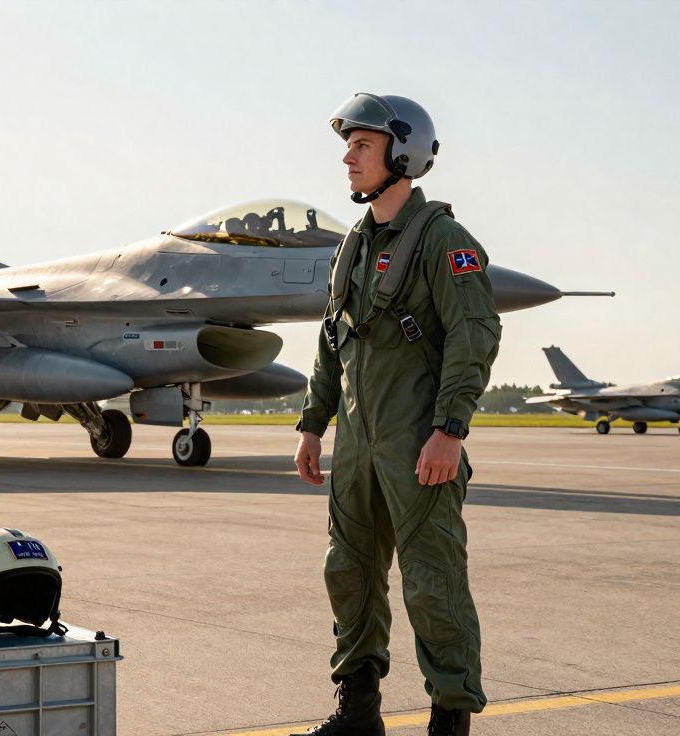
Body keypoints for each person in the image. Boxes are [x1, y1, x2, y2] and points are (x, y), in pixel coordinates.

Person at [292, 93, 502, 736]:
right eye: (348, 146)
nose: (348, 158)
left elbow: (475, 333)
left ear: (402, 153)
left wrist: (449, 430)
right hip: (357, 446)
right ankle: (358, 713)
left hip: (418, 442)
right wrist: (313, 424)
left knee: (433, 585)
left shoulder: (443, 239)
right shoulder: (352, 246)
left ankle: (450, 720)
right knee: (348, 575)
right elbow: (333, 341)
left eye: (363, 145)